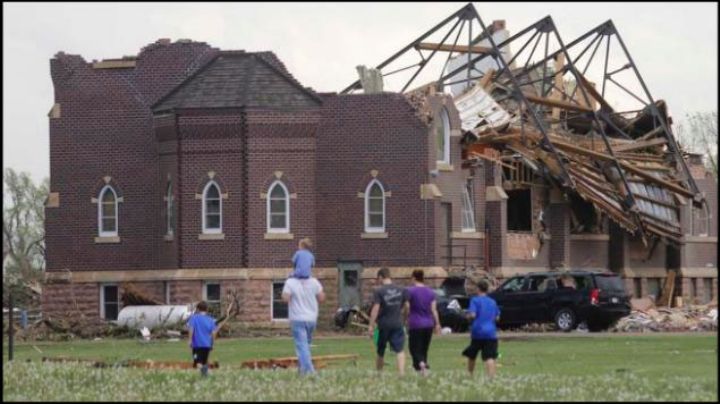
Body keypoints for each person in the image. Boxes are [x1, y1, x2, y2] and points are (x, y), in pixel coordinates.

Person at [282, 272, 325, 375]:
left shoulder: (290, 282)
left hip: (297, 318)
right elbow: (321, 298)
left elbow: (285, 298)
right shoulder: (314, 282)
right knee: (306, 345)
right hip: (311, 319)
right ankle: (302, 371)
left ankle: (309, 371)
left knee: (302, 346)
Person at [368, 267, 408, 376]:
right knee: (399, 350)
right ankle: (401, 374)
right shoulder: (401, 290)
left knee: (381, 350)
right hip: (397, 323)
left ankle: (379, 374)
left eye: (378, 279)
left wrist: (371, 326)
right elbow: (407, 306)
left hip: (383, 324)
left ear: (381, 277)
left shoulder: (379, 291)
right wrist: (404, 318)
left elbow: (375, 308)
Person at [404, 269, 441, 376]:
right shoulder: (430, 292)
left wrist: (406, 317)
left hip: (415, 323)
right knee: (424, 348)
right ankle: (423, 369)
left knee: (414, 348)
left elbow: (407, 306)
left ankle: (421, 364)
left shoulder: (410, 291)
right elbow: (434, 309)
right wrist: (437, 324)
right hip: (428, 323)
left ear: (414, 278)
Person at [462, 279, 500, 379]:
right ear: (487, 289)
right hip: (491, 333)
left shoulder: (475, 300)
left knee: (472, 355)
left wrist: (467, 316)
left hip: (478, 332)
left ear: (478, 289)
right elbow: (497, 317)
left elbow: (473, 315)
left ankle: (470, 375)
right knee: (490, 356)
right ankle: (491, 377)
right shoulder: (493, 302)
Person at [187, 301, 219, 377]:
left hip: (197, 345)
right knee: (204, 362)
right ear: (207, 309)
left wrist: (190, 340)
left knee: (197, 362)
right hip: (207, 345)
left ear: (197, 309)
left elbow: (191, 329)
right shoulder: (211, 320)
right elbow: (214, 333)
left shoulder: (194, 318)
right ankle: (204, 376)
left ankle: (207, 372)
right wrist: (212, 343)